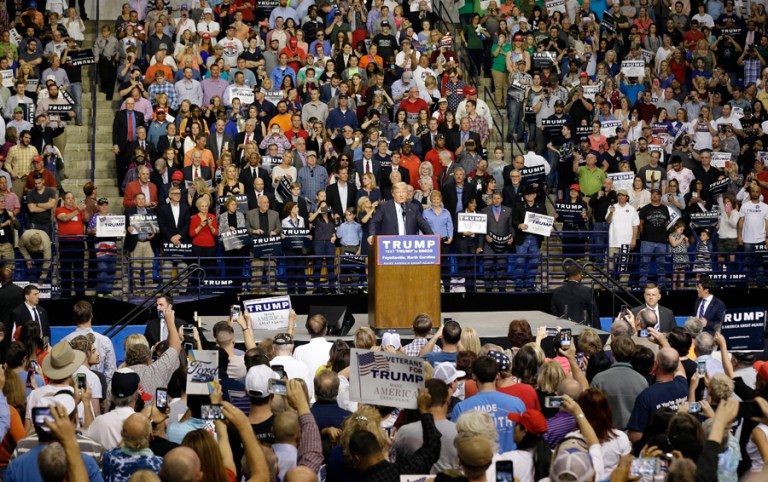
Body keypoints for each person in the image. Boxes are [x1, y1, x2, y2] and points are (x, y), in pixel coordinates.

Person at [367, 181, 433, 243]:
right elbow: (374, 222)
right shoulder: (384, 207)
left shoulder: (413, 208)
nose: (401, 195)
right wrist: (372, 235)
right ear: (393, 194)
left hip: (409, 244)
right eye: (398, 192)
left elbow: (423, 224)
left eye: (403, 192)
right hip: (389, 244)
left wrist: (433, 237)